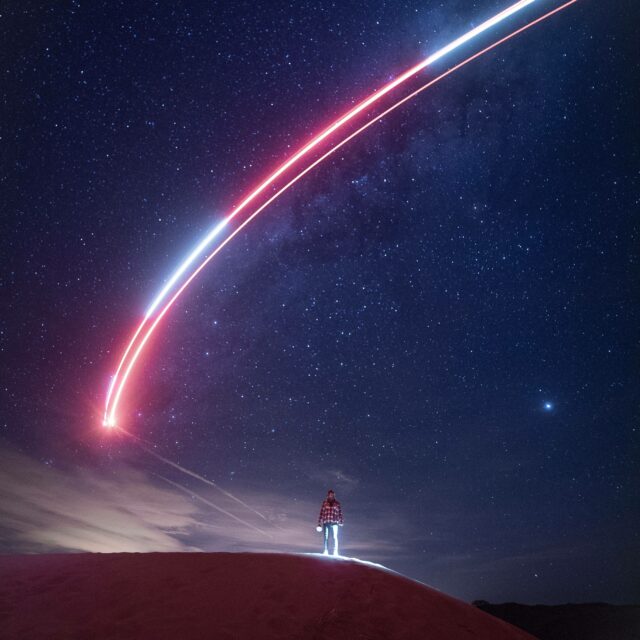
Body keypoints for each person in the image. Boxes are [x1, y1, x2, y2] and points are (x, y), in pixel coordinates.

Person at [316, 489, 343, 556]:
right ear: (328, 495)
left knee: (335, 537)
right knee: (326, 537)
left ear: (334, 495)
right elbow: (321, 512)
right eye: (330, 494)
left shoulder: (337, 503)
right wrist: (319, 522)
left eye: (332, 494)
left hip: (334, 522)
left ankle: (335, 552)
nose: (331, 495)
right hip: (326, 522)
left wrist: (341, 521)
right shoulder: (324, 503)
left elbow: (340, 513)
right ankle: (326, 551)